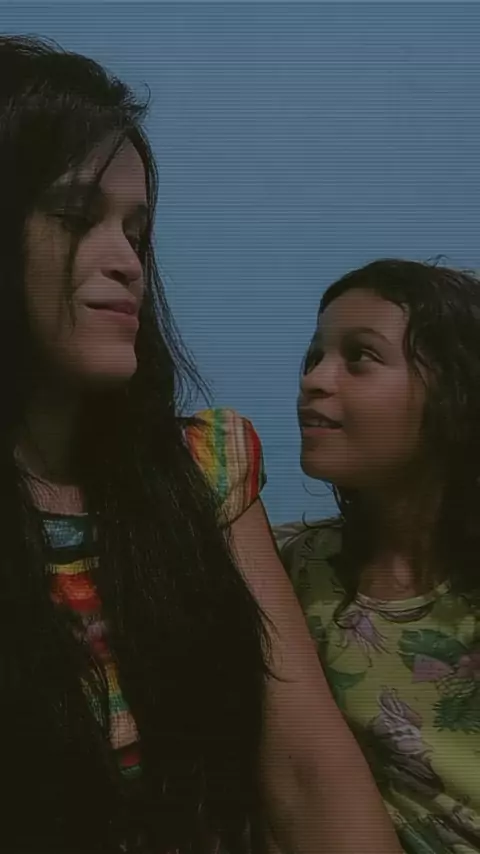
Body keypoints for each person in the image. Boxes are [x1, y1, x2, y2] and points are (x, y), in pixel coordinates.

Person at [0, 35, 401, 854]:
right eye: (75, 217)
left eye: (138, 230)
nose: (127, 262)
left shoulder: (202, 471)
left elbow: (309, 777)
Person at [279, 259, 480, 853]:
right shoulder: (291, 567)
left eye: (360, 356)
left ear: (455, 393)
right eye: (314, 357)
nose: (315, 380)